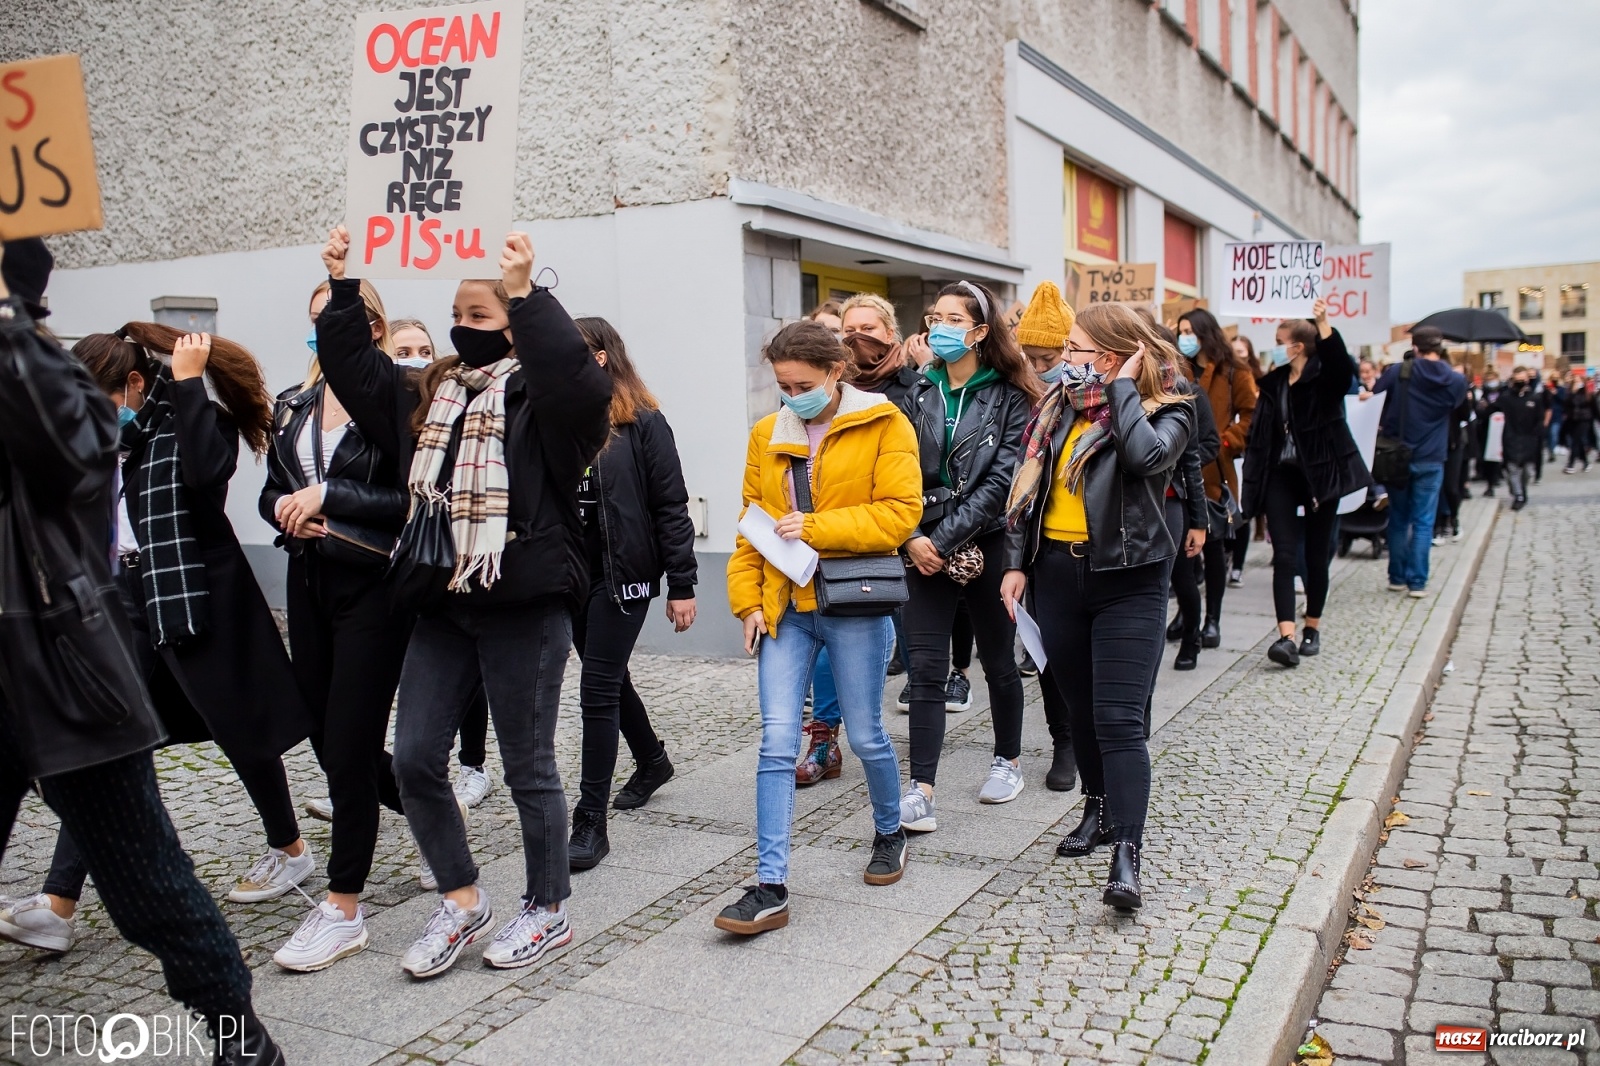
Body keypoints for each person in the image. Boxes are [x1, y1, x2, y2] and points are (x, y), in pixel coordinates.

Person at [0, 238, 285, 1064]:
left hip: (68, 676)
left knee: (149, 884)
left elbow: (70, 439)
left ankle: (242, 1040)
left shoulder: (72, 400)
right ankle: (56, 904)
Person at [315, 225, 611, 976]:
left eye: (478, 315)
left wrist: (526, 293)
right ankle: (460, 898)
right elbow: (354, 370)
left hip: (524, 600)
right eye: (456, 312)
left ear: (512, 322)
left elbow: (578, 381)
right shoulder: (433, 395)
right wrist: (344, 289)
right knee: (415, 756)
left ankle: (547, 909)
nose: (459, 327)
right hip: (443, 600)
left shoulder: (546, 406)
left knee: (527, 766)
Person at [719, 320, 920, 934]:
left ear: (836, 372)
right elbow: (752, 523)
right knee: (778, 741)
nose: (790, 395)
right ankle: (771, 883)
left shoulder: (885, 422)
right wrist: (746, 602)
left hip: (852, 603)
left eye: (802, 384)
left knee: (865, 734)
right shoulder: (767, 433)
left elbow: (900, 513)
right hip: (785, 606)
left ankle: (890, 831)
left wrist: (815, 527)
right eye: (781, 385)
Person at [999, 302, 1196, 912]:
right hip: (1057, 574)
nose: (1065, 359)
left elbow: (1144, 459)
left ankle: (1127, 855)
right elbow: (1024, 488)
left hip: (1130, 578)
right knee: (1081, 713)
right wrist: (1013, 563)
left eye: (1078, 349)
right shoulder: (1054, 410)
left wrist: (1121, 389)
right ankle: (1097, 810)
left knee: (1118, 720)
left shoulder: (1169, 410)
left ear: (1114, 354)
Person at [256, 280, 416, 971]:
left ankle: (344, 905)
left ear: (372, 328)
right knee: (324, 737)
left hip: (372, 587)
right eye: (316, 317)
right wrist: (287, 509)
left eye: (341, 315)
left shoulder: (397, 400)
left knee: (349, 746)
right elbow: (271, 489)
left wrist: (333, 496)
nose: (325, 327)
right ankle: (430, 804)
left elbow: (410, 497)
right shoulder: (293, 404)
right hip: (309, 580)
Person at [898, 280, 1038, 834]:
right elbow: (896, 473)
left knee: (1000, 662)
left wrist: (941, 537)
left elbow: (1002, 481)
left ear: (980, 331)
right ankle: (921, 788)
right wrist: (912, 535)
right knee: (928, 669)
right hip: (921, 546)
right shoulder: (916, 393)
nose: (940, 328)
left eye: (953, 319)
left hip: (986, 542)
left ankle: (1009, 760)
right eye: (935, 317)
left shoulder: (1009, 395)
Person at [566, 316, 698, 868]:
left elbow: (671, 506)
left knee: (596, 686)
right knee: (609, 676)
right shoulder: (557, 419)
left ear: (600, 356)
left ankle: (589, 820)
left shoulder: (643, 421)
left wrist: (682, 583)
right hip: (569, 574)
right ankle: (651, 758)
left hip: (624, 574)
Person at [797, 292, 918, 787]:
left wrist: (915, 535)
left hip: (897, 538)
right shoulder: (819, 390)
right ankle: (824, 739)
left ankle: (914, 744)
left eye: (869, 327)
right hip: (820, 542)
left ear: (890, 332)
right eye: (848, 328)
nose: (856, 337)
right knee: (827, 640)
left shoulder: (911, 391)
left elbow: (917, 474)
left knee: (907, 648)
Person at [1240, 300, 1370, 668]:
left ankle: (1312, 625)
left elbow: (1343, 368)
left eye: (1281, 340)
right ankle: (1287, 636)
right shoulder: (1276, 382)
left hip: (1319, 473)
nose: (1276, 346)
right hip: (1281, 473)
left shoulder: (1323, 380)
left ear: (1298, 346)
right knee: (1283, 553)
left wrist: (1325, 322)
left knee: (1316, 554)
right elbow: (1261, 435)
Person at [1014, 281, 1079, 789]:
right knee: (1051, 651)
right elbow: (1019, 491)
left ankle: (1101, 734)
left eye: (1047, 356)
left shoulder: (1101, 398)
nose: (1038, 367)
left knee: (1097, 652)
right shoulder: (1026, 399)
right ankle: (1064, 742)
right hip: (1042, 546)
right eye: (1030, 357)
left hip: (1100, 548)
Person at [1174, 309, 1256, 652]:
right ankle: (1186, 613)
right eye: (1181, 331)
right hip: (1181, 473)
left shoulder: (1234, 370)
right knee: (1183, 552)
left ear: (1206, 333)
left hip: (1214, 473)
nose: (1184, 337)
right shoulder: (1179, 368)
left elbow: (1252, 415)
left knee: (1213, 548)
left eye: (1190, 331)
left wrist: (1225, 441)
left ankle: (1213, 620)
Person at [1373, 326, 1468, 595]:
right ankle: (1418, 582)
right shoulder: (1456, 380)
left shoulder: (1397, 372)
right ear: (1440, 348)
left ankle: (1397, 577)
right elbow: (1457, 408)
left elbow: (1377, 399)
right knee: (1424, 521)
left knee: (1399, 518)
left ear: (1414, 347)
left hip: (1398, 456)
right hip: (1432, 457)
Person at [1226, 334, 1263, 586]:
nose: (1238, 355)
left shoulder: (1257, 379)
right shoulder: (1224, 374)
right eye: (1234, 351)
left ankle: (1238, 564)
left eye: (1242, 351)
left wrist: (1232, 437)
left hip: (1245, 451)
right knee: (1225, 510)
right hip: (1227, 452)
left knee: (1240, 512)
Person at [1492, 365, 1547, 510]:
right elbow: (1492, 410)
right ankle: (1518, 495)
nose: (1520, 382)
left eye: (1522, 379)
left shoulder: (1535, 398)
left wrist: (1538, 435)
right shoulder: (1506, 398)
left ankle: (1522, 490)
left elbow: (1540, 418)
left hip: (1529, 439)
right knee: (1512, 469)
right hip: (1511, 438)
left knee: (1528, 471)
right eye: (1517, 380)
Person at [1562, 371, 1596, 473]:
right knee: (1579, 441)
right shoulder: (1570, 392)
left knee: (1575, 441)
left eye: (1579, 380)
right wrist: (1572, 392)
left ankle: (1571, 464)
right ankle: (1585, 463)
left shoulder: (1588, 393)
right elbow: (1566, 405)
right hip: (1572, 419)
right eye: (1575, 380)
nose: (1577, 382)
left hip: (1584, 419)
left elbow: (1594, 407)